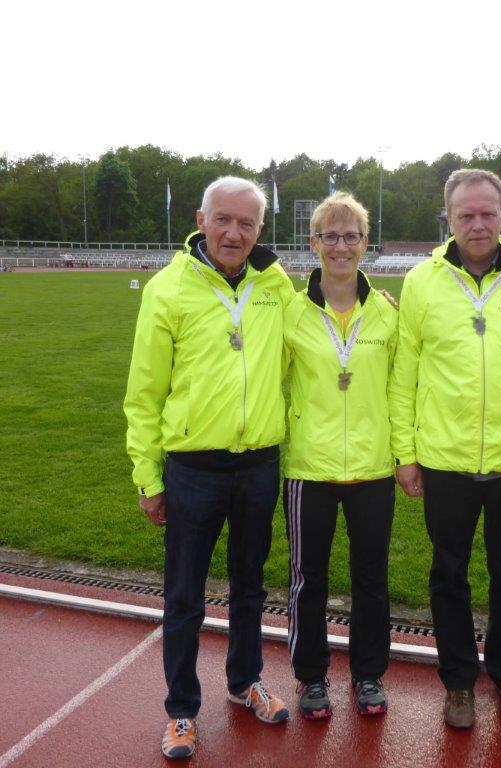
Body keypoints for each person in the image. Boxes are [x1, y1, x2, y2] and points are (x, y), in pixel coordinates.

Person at [388, 169, 501, 729]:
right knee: (448, 575)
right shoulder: (422, 283)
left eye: (487, 213)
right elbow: (404, 373)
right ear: (448, 218)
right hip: (444, 460)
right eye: (466, 214)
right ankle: (458, 683)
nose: (477, 224)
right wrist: (405, 453)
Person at [124, 176, 295, 759]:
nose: (234, 232)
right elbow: (144, 393)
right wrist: (148, 477)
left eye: (246, 223)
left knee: (250, 586)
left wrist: (374, 308)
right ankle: (181, 710)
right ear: (201, 220)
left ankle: (245, 681)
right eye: (223, 219)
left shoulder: (275, 284)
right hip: (193, 469)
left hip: (259, 465)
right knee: (185, 596)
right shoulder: (167, 288)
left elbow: (318, 330)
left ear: (260, 229)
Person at [282, 192, 398, 719]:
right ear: (314, 242)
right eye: (330, 236)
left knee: (371, 579)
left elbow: (401, 388)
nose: (341, 246)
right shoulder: (291, 311)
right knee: (309, 580)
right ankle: (311, 678)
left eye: (351, 236)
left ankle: (368, 674)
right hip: (310, 468)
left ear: (365, 243)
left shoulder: (388, 312)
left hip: (373, 468)